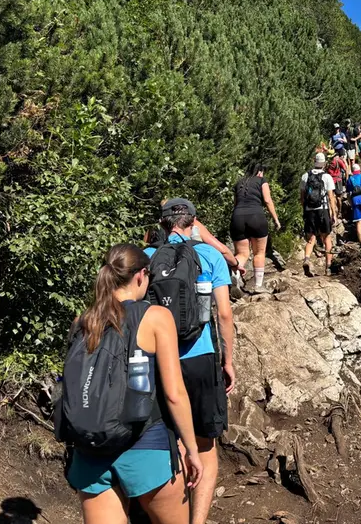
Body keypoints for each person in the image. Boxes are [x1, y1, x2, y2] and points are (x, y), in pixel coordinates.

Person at [65, 244, 203, 524]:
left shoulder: (83, 320)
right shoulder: (154, 317)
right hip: (145, 446)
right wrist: (192, 449)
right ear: (141, 275)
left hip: (91, 451)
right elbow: (174, 393)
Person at [145, 200, 234, 524]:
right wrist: (228, 361)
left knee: (175, 441)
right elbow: (224, 313)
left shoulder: (149, 258)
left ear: (163, 223)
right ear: (193, 222)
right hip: (201, 357)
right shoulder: (209, 255)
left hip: (159, 362)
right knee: (205, 449)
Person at [145, 202, 243, 278]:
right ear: (192, 220)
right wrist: (235, 264)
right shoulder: (192, 223)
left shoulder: (151, 230)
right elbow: (222, 250)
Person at [230, 163, 281, 291]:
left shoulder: (238, 183)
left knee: (242, 253)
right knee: (259, 252)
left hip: (238, 217)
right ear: (259, 172)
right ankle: (258, 286)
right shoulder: (261, 180)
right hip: (256, 216)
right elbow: (268, 200)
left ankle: (234, 274)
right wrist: (276, 219)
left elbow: (235, 204)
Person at [300, 152, 337, 277]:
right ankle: (328, 267)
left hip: (310, 210)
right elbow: (331, 196)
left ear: (314, 161)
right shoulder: (326, 177)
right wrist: (333, 213)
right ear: (324, 163)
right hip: (323, 210)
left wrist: (304, 210)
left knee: (311, 239)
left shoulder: (305, 176)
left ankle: (306, 259)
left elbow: (302, 196)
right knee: (326, 238)